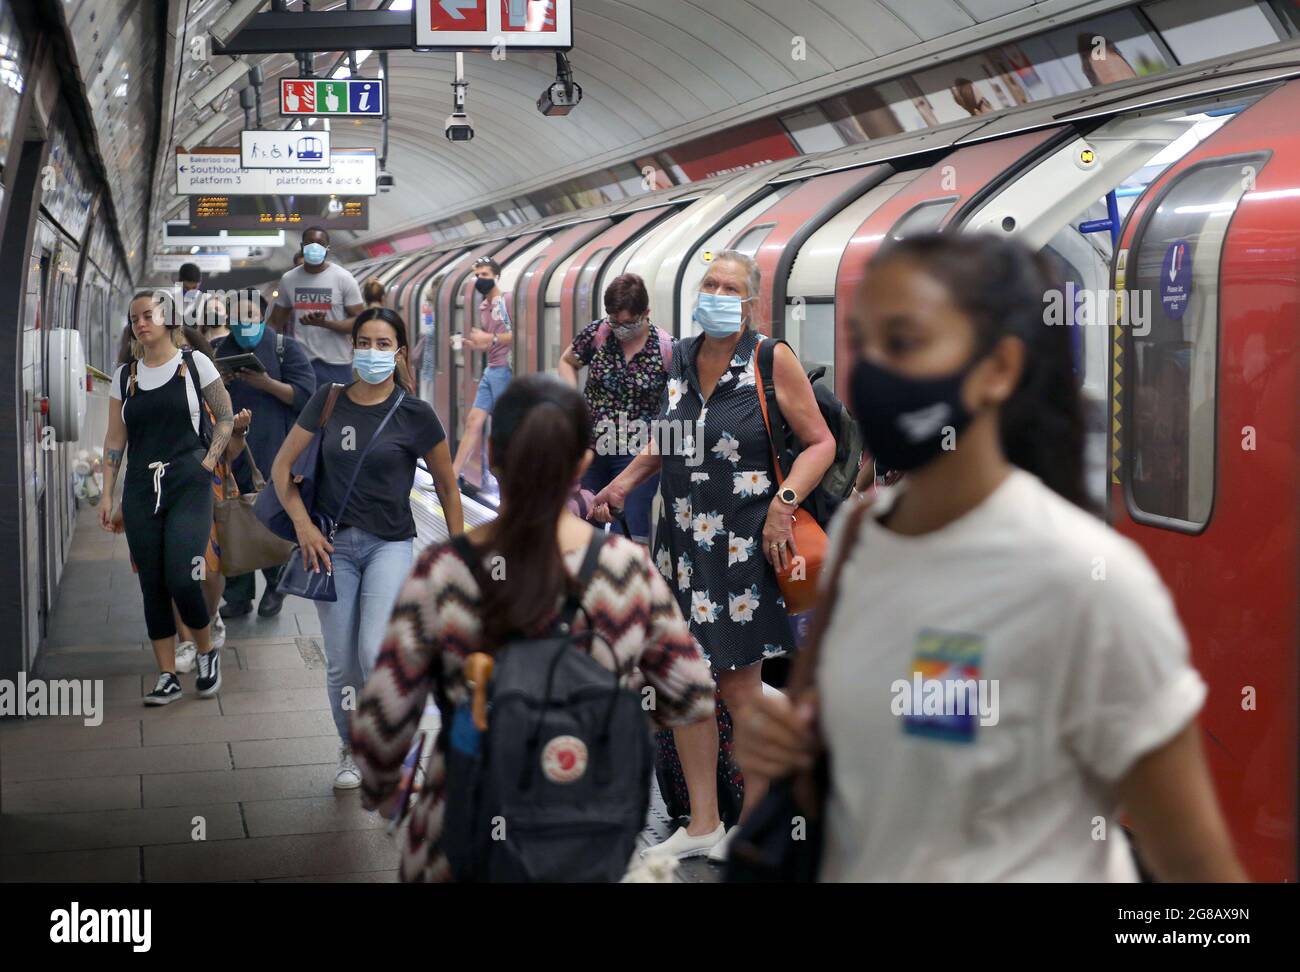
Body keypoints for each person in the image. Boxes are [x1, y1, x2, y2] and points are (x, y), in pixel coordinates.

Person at [736, 234, 1246, 882]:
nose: (872, 371)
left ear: (999, 368)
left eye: (905, 342)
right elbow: (912, 746)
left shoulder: (1084, 578)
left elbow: (1203, 881)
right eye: (864, 343)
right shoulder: (868, 533)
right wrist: (789, 748)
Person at [350, 374, 716, 882]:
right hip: (591, 838)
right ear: (583, 465)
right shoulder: (626, 570)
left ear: (494, 460)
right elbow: (691, 695)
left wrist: (391, 801)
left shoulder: (444, 572)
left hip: (461, 836)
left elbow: (378, 729)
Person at [592, 250, 834, 862]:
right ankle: (703, 823)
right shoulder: (678, 357)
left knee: (740, 689)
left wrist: (784, 502)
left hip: (741, 549)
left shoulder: (769, 358)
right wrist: (622, 483)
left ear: (750, 300)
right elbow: (667, 438)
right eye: (710, 283)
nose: (718, 293)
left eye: (731, 287)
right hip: (678, 546)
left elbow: (819, 442)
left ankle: (751, 825)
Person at [271, 307, 464, 788]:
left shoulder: (415, 414)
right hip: (330, 548)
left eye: (383, 345)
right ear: (352, 347)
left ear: (398, 353)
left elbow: (447, 487)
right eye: (364, 343)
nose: (372, 352)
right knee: (341, 663)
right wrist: (303, 526)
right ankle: (350, 747)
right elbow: (281, 469)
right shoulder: (328, 400)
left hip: (389, 546)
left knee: (375, 652)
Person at [99, 292, 235, 705]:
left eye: (149, 315)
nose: (141, 323)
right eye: (134, 317)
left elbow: (225, 416)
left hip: (189, 483)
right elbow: (115, 439)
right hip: (142, 488)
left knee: (183, 574)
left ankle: (206, 651)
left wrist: (209, 462)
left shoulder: (194, 364)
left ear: (169, 319)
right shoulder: (125, 376)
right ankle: (167, 675)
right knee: (153, 584)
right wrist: (108, 493)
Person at [214, 290, 317, 619]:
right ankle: (238, 595)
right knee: (232, 520)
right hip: (230, 452)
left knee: (271, 523)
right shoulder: (217, 352)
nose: (245, 323)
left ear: (262, 316)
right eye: (237, 318)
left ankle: (277, 586)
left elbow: (305, 397)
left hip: (274, 449)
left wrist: (266, 383)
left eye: (251, 316)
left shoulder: (285, 349)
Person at [558, 273, 668, 543]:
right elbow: (567, 361)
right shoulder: (598, 334)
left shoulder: (665, 349)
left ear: (646, 313)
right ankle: (583, 582)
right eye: (614, 320)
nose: (620, 328)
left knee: (628, 531)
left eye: (628, 322)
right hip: (592, 448)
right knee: (584, 524)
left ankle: (622, 581)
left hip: (636, 454)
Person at [269, 227, 366, 388]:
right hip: (301, 361)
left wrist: (325, 323)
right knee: (304, 410)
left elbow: (360, 322)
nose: (315, 246)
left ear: (328, 248)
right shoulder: (289, 279)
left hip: (337, 362)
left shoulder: (343, 278)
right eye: (310, 242)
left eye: (320, 243)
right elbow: (275, 321)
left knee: (336, 411)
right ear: (301, 246)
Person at [451, 257, 512, 487]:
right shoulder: (484, 306)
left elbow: (519, 334)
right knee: (473, 421)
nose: (480, 280)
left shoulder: (505, 302)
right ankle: (452, 476)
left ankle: (508, 483)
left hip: (505, 370)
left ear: (496, 276)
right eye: (477, 275)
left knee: (502, 430)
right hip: (492, 369)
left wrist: (490, 338)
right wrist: (475, 344)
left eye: (485, 275)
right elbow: (492, 341)